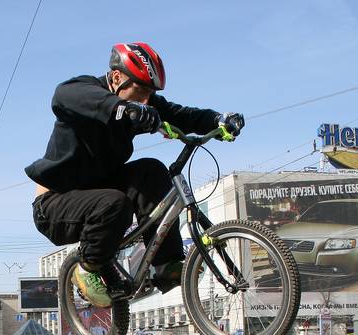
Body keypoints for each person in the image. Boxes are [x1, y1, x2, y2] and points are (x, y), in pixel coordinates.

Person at [25, 42, 244, 307]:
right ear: (117, 77)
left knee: (152, 171)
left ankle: (167, 264)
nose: (145, 101)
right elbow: (63, 95)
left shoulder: (143, 104)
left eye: (149, 94)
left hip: (102, 192)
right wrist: (123, 107)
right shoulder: (83, 92)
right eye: (139, 92)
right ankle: (87, 267)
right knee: (112, 203)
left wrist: (218, 120)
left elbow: (183, 115)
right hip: (55, 205)